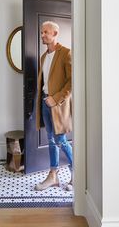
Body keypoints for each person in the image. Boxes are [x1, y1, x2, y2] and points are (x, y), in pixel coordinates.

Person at [35, 21, 73, 191]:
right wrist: (46, 99)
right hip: (44, 103)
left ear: (55, 34)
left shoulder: (66, 53)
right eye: (42, 32)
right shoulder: (43, 56)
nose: (42, 35)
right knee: (51, 140)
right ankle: (53, 176)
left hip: (58, 105)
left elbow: (72, 82)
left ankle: (77, 173)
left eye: (46, 32)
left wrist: (56, 99)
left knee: (61, 140)